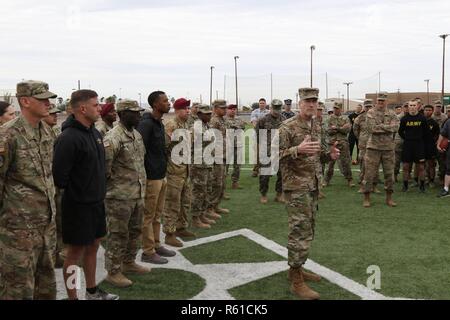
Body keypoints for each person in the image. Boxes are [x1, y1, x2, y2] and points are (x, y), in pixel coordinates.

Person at [53, 89, 118, 300]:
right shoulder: (68, 138)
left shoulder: (95, 133)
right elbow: (60, 177)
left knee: (94, 246)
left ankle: (92, 292)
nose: (99, 108)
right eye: (96, 105)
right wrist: (81, 192)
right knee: (74, 254)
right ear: (82, 108)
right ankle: (73, 297)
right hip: (77, 206)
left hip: (96, 203)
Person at [279, 87, 340, 300]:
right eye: (308, 101)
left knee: (309, 228)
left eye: (315, 100)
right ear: (299, 102)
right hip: (296, 187)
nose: (312, 104)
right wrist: (297, 150)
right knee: (300, 231)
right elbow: (272, 156)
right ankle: (296, 280)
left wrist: (329, 155)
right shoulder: (287, 127)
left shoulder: (316, 125)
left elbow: (316, 156)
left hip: (313, 186)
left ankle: (297, 268)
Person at [0, 80, 57, 300]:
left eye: (48, 99)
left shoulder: (47, 131)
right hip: (17, 231)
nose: (48, 103)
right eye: (42, 99)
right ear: (25, 101)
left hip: (45, 226)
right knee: (17, 288)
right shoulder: (7, 136)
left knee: (46, 285)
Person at [103, 99, 150, 288]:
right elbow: (104, 169)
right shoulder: (112, 138)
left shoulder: (136, 134)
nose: (139, 115)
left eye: (139, 112)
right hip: (119, 197)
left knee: (135, 231)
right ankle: (113, 271)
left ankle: (129, 262)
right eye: (134, 112)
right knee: (117, 234)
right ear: (123, 114)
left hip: (137, 193)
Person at [137, 91, 175, 265]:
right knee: (148, 216)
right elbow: (140, 151)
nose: (169, 103)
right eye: (165, 101)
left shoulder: (158, 123)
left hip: (161, 174)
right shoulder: (146, 124)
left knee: (157, 214)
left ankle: (157, 244)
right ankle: (147, 251)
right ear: (155, 104)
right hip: (151, 177)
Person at [163, 98, 197, 248]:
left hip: (185, 170)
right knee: (172, 203)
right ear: (177, 110)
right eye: (185, 109)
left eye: (189, 108)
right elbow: (164, 148)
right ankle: (169, 234)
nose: (188, 111)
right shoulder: (171, 125)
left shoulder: (185, 125)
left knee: (185, 201)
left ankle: (181, 227)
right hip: (174, 172)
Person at [362, 92, 399, 207]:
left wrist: (381, 126)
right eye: (379, 101)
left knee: (389, 174)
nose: (381, 103)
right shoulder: (371, 112)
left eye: (383, 101)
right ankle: (366, 197)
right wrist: (387, 128)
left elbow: (396, 127)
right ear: (376, 101)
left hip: (388, 148)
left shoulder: (392, 113)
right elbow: (372, 129)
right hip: (373, 148)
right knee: (369, 174)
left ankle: (389, 198)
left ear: (386, 101)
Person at [42, 103, 65, 268]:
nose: (56, 116)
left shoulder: (56, 132)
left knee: (60, 221)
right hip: (46, 187)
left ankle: (58, 254)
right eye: (52, 114)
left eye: (57, 114)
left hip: (56, 184)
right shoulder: (41, 133)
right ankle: (50, 256)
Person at [190, 104, 215, 229]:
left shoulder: (206, 125)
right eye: (207, 113)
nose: (209, 115)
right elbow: (206, 139)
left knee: (206, 189)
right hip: (198, 163)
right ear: (199, 114)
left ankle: (202, 214)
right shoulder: (197, 125)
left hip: (207, 162)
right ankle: (195, 217)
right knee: (199, 191)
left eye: (210, 113)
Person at [256, 99, 285, 204]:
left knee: (281, 174)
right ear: (270, 108)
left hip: (281, 151)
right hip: (266, 152)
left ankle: (279, 194)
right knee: (264, 176)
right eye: (275, 108)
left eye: (278, 108)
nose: (276, 111)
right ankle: (263, 194)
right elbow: (258, 138)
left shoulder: (284, 120)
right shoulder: (262, 120)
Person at [398, 100, 429, 193]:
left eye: (414, 105)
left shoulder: (422, 118)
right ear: (408, 106)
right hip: (408, 145)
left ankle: (422, 186)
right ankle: (405, 185)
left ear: (417, 106)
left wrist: (420, 140)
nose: (412, 107)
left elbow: (426, 132)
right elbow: (400, 131)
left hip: (419, 145)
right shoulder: (404, 119)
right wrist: (407, 138)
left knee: (421, 167)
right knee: (405, 167)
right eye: (410, 105)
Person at [324, 102, 354, 187]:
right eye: (334, 108)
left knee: (346, 162)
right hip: (332, 143)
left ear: (341, 109)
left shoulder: (345, 118)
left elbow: (347, 130)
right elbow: (328, 130)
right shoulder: (329, 118)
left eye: (337, 108)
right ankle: (326, 180)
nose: (335, 110)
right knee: (330, 163)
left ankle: (349, 179)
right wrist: (341, 128)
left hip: (343, 143)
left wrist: (336, 128)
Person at [208, 99, 230, 216]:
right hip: (216, 157)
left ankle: (216, 206)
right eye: (222, 108)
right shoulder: (213, 121)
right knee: (216, 183)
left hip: (223, 155)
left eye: (225, 108)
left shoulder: (222, 120)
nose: (225, 110)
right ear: (215, 108)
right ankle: (210, 208)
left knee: (221, 183)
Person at [353, 99, 380, 193]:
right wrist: (361, 138)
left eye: (370, 106)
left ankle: (374, 186)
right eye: (366, 106)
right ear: (364, 107)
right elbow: (355, 130)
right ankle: (362, 186)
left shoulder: (377, 116)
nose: (368, 108)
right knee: (363, 165)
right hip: (364, 145)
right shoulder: (359, 118)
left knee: (375, 165)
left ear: (372, 106)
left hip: (375, 144)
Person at [225, 104, 246, 190]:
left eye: (234, 109)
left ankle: (235, 182)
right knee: (225, 165)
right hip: (227, 145)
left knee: (237, 165)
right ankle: (223, 183)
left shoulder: (239, 119)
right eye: (231, 109)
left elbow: (243, 127)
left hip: (238, 144)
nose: (233, 111)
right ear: (227, 110)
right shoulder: (223, 119)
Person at [250, 98, 270, 177]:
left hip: (266, 136)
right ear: (259, 104)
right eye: (260, 103)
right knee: (257, 154)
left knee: (267, 154)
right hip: (257, 135)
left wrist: (260, 122)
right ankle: (256, 170)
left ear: (265, 104)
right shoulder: (254, 112)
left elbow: (269, 123)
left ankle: (266, 171)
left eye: (263, 103)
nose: (262, 104)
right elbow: (254, 123)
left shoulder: (269, 112)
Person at [423, 105, 440, 187]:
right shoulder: (420, 121)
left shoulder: (434, 123)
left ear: (432, 111)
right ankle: (424, 179)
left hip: (430, 147)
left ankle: (431, 181)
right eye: (426, 110)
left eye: (429, 110)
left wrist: (433, 143)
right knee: (422, 164)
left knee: (431, 164)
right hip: (421, 146)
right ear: (423, 111)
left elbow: (437, 135)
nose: (427, 111)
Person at [437, 117, 450, 197]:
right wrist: (438, 144)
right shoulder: (449, 121)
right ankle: (446, 189)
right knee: (449, 168)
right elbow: (442, 134)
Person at [393, 104, 405, 182]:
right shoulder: (397, 117)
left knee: (408, 160)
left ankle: (408, 176)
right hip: (398, 140)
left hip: (409, 141)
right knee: (396, 160)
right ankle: (395, 175)